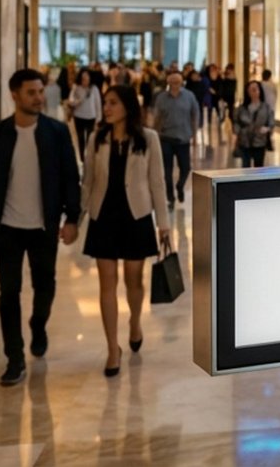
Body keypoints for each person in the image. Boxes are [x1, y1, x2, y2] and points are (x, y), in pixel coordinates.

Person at [0, 69, 82, 387]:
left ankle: (38, 323)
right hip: (6, 227)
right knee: (9, 292)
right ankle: (14, 358)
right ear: (15, 95)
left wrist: (71, 219)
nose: (38, 97)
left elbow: (70, 178)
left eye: (40, 91)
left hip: (43, 226)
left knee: (45, 285)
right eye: (31, 92)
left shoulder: (56, 133)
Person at [82, 85, 172, 377]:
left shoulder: (148, 139)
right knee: (106, 284)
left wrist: (164, 223)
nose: (106, 108)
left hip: (137, 216)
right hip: (104, 216)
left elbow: (158, 182)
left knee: (134, 280)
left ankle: (135, 321)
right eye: (105, 103)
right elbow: (88, 182)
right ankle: (112, 348)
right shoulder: (97, 138)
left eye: (112, 103)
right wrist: (75, 219)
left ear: (128, 107)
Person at [150, 71, 196, 207]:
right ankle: (170, 197)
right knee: (167, 170)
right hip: (166, 138)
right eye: (172, 82)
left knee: (186, 168)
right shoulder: (161, 98)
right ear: (168, 83)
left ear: (182, 82)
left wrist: (194, 133)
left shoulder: (189, 96)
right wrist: (154, 134)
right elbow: (157, 117)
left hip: (183, 138)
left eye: (178, 82)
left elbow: (195, 114)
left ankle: (180, 186)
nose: (175, 85)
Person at [233, 81, 274, 168]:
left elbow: (271, 123)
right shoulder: (242, 108)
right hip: (245, 141)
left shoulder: (266, 108)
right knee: (245, 167)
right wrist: (237, 132)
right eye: (251, 89)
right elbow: (236, 122)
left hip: (259, 141)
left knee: (259, 167)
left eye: (256, 89)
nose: (254, 91)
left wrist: (267, 129)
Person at [66, 68, 101, 157]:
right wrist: (78, 100)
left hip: (91, 117)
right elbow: (70, 100)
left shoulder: (94, 88)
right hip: (79, 116)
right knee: (80, 138)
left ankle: (89, 156)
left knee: (90, 139)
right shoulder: (76, 87)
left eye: (86, 77)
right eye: (83, 78)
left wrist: (98, 119)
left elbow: (98, 104)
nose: (84, 80)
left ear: (90, 78)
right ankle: (82, 157)